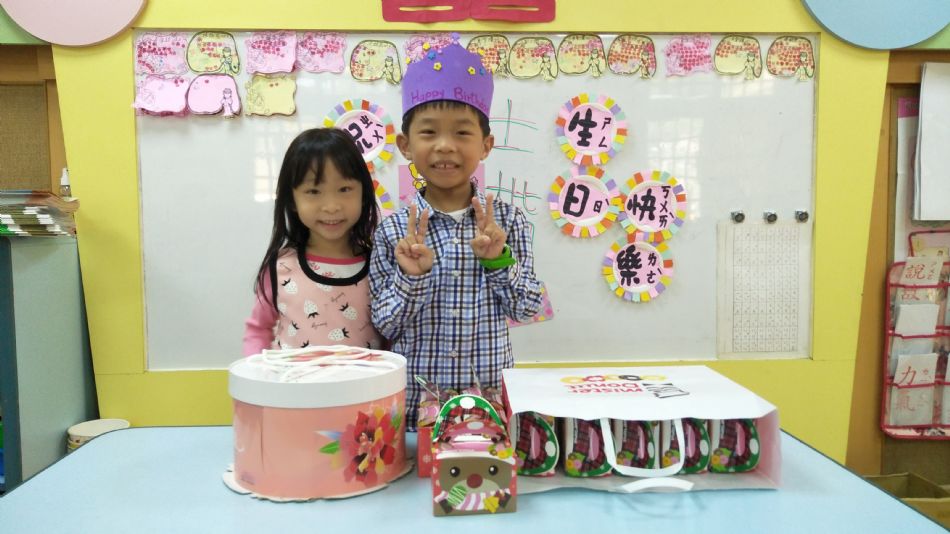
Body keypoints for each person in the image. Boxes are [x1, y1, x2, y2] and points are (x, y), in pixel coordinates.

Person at [369, 43, 543, 428]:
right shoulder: (394, 231)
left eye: (462, 132)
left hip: (489, 411)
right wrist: (411, 278)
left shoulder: (508, 223)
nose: (445, 145)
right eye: (429, 132)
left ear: (485, 145)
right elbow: (385, 325)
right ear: (405, 145)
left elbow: (527, 308)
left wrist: (498, 262)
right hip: (414, 412)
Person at [243, 128, 383, 355]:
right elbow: (257, 330)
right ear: (292, 200)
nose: (331, 206)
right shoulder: (280, 267)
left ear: (364, 194)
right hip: (292, 379)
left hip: (367, 379)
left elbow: (390, 336)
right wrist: (256, 374)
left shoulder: (379, 266)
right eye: (313, 191)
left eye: (344, 189)